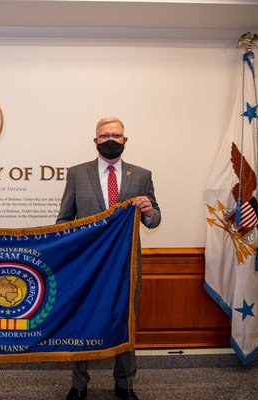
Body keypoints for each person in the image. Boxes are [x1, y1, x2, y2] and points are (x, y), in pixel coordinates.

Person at [56, 117, 161, 400]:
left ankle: (124, 385)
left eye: (116, 135)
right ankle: (79, 385)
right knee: (82, 322)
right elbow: (64, 220)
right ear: (95, 141)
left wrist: (149, 211)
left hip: (127, 266)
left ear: (125, 140)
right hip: (86, 268)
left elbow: (154, 220)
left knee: (126, 322)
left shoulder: (141, 175)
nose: (110, 140)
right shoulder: (77, 174)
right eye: (104, 136)